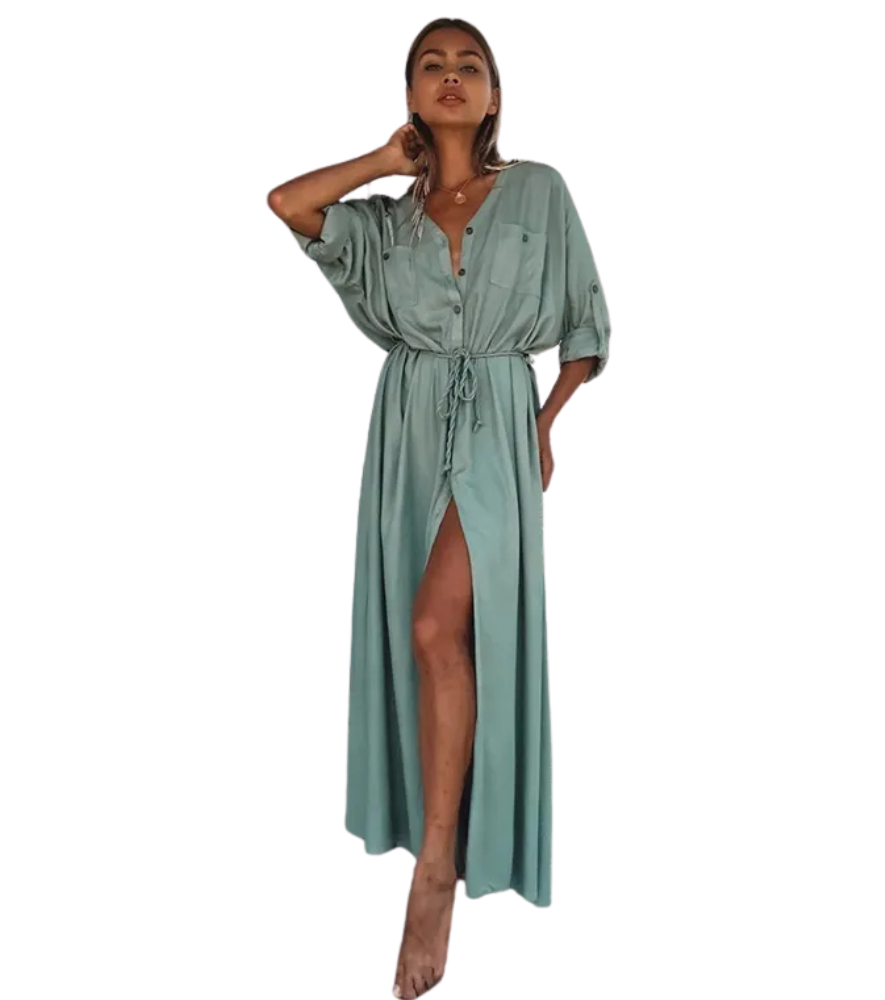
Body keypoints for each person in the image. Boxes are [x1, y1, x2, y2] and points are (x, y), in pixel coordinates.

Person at [267, 17, 610, 999]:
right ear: (411, 93)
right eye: (432, 65)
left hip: (499, 420)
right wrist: (386, 160)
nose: (452, 76)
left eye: (470, 66)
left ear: (495, 95)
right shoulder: (386, 222)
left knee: (434, 625)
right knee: (426, 635)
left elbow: (587, 320)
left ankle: (435, 870)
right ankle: (435, 839)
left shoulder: (539, 190)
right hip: (409, 426)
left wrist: (544, 422)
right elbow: (287, 203)